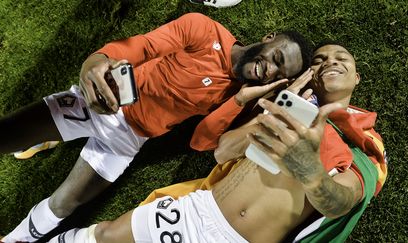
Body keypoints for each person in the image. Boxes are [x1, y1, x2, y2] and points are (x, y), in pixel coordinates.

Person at [0, 13, 312, 243]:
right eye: (277, 57)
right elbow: (143, 47)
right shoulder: (204, 30)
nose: (268, 69)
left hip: (127, 139)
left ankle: (14, 241)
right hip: (106, 99)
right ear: (269, 37)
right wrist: (97, 60)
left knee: (64, 203)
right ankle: (51, 137)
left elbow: (201, 142)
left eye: (277, 74)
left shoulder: (236, 96)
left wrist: (241, 99)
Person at [43, 43, 387, 243]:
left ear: (356, 77)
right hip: (197, 210)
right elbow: (222, 150)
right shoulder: (283, 108)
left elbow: (341, 202)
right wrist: (274, 112)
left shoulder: (361, 141)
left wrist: (311, 171)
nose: (330, 62)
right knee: (102, 236)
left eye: (341, 58)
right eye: (320, 59)